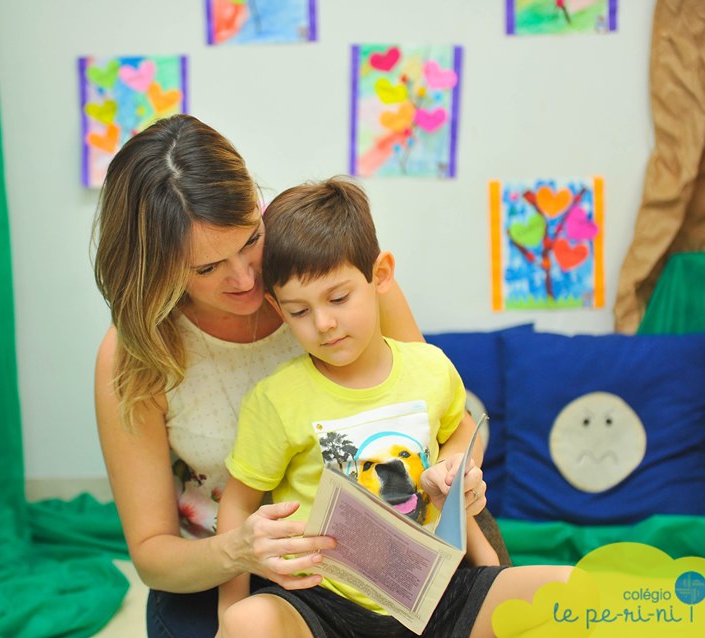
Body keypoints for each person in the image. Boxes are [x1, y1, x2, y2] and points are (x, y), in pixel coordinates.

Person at [91, 114, 484, 638]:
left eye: (251, 239)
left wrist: (459, 474)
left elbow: (438, 414)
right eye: (206, 269)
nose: (246, 277)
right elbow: (152, 555)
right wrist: (238, 551)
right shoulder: (134, 354)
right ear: (156, 268)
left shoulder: (327, 273)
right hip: (230, 566)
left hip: (398, 540)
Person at [216, 177, 572, 638]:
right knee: (250, 624)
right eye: (299, 312)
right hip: (321, 600)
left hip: (433, 591)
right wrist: (228, 610)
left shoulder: (430, 369)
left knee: (567, 589)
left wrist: (452, 468)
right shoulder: (275, 399)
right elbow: (239, 503)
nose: (323, 324)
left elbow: (461, 432)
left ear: (380, 275)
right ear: (277, 308)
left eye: (339, 298)